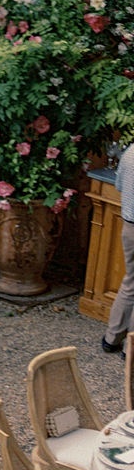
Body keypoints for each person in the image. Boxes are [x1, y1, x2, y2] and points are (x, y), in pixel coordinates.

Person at [102, 141, 134, 354]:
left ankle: (112, 338)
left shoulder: (131, 151)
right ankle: (131, 350)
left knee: (130, 281)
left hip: (129, 225)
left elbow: (119, 185)